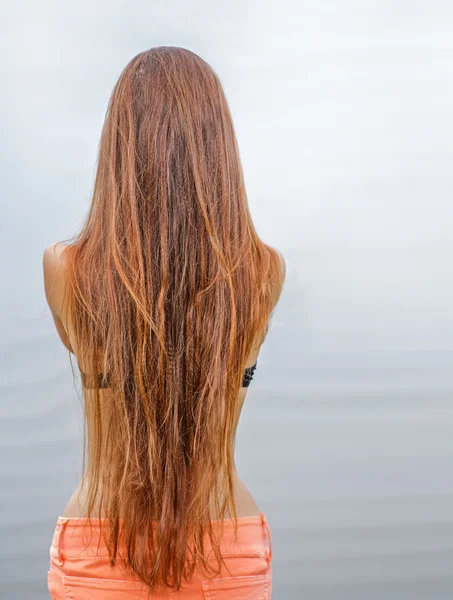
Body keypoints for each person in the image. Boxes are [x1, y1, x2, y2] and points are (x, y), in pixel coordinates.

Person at [42, 46, 285, 599]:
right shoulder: (263, 273)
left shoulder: (67, 270)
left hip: (99, 545)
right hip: (227, 548)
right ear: (218, 151)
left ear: (120, 147)